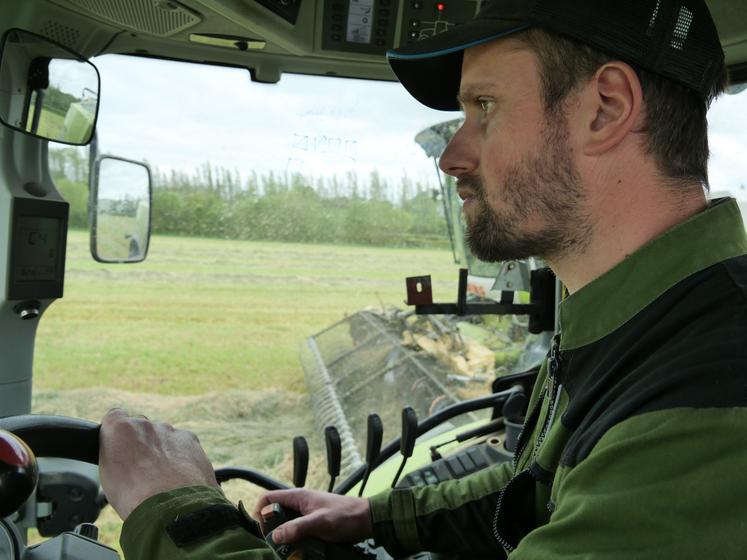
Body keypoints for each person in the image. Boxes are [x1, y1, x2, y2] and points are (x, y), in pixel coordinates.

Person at [99, 0, 747, 558]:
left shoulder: (712, 394)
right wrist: (376, 515)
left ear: (605, 108)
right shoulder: (643, 317)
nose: (451, 158)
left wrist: (173, 508)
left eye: (484, 107)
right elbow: (540, 481)